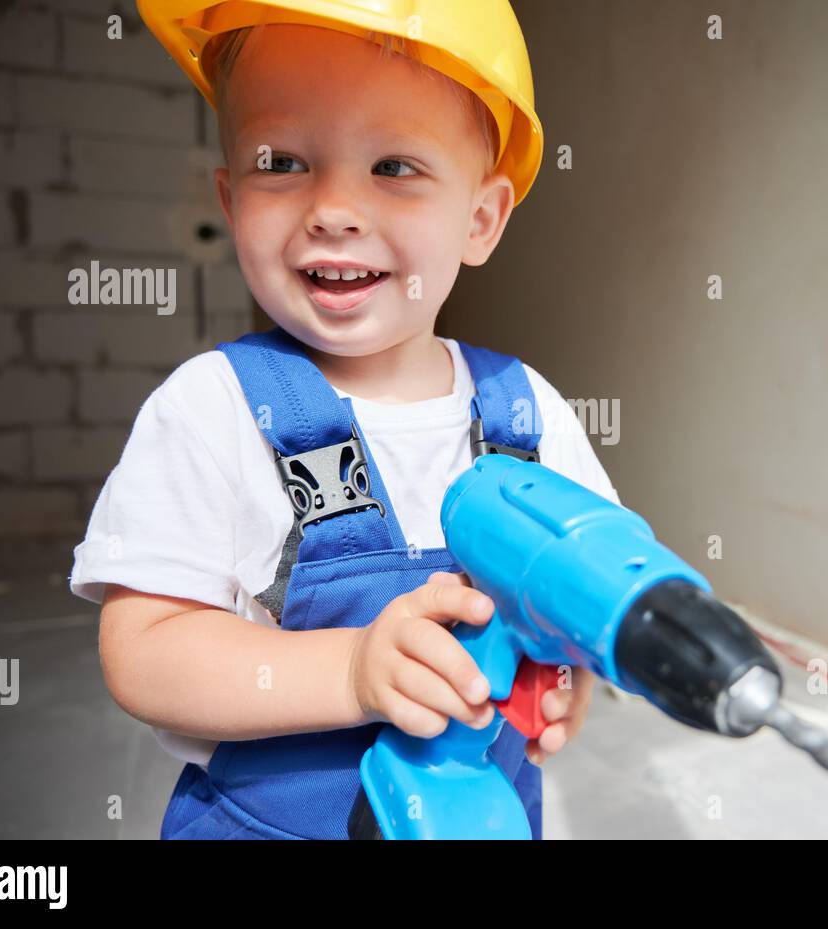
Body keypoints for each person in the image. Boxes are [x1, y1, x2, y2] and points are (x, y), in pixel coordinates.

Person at [70, 0, 619, 839]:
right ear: (231, 194)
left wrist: (563, 663)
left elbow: (579, 578)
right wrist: (352, 669)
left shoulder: (528, 411)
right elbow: (143, 649)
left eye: (394, 166)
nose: (332, 207)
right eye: (282, 160)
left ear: (481, 218)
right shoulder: (213, 409)